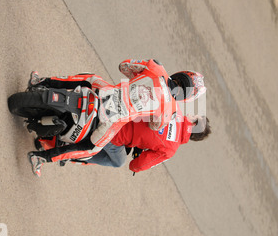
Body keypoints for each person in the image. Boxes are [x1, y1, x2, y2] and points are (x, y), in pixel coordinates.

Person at [27, 59, 206, 177]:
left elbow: (124, 66)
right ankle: (43, 157)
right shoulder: (170, 113)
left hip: (107, 93)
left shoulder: (157, 68)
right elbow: (136, 165)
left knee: (90, 79)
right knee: (90, 150)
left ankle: (41, 81)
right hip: (113, 125)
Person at [85, 113, 211, 173]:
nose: (191, 114)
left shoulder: (174, 108)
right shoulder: (170, 150)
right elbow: (136, 166)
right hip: (114, 134)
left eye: (194, 116)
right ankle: (83, 155)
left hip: (116, 110)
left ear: (193, 123)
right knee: (119, 162)